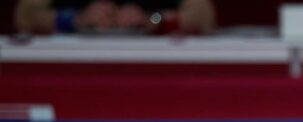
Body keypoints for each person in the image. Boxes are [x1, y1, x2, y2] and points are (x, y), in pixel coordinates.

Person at [14, 0, 216, 35]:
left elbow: (204, 16)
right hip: (73, 63)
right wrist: (75, 19)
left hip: (150, 64)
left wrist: (153, 20)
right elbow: (24, 15)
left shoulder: (152, 18)